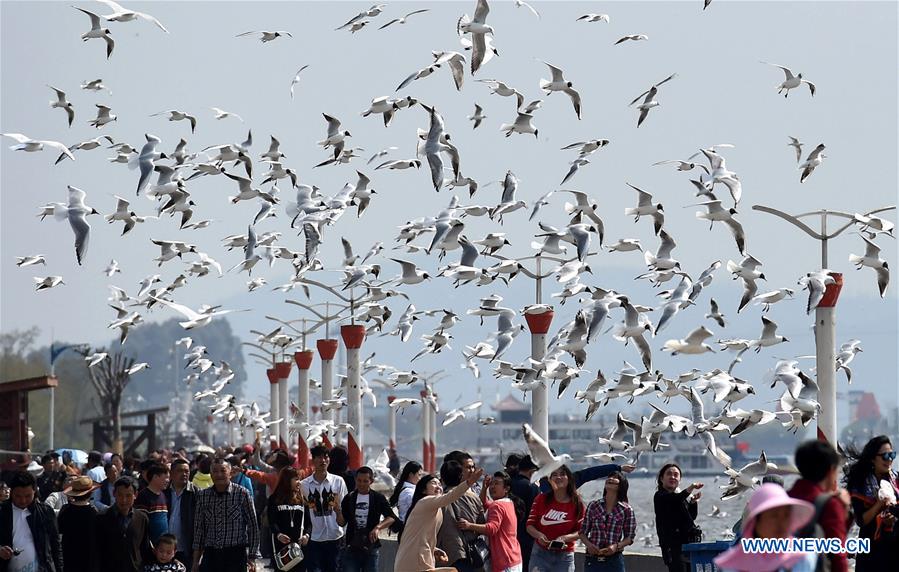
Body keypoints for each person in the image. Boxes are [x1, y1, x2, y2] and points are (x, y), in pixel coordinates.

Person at [394, 467, 485, 572]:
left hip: (421, 559)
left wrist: (434, 549)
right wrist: (469, 482)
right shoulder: (425, 501)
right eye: (433, 483)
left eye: (439, 484)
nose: (438, 486)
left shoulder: (435, 509)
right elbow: (449, 497)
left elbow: (422, 537)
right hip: (413, 562)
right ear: (423, 490)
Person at [714, 484, 816, 572]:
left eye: (786, 515)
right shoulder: (731, 565)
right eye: (774, 516)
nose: (781, 523)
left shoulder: (802, 558)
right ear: (756, 521)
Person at [788, 440, 852, 572]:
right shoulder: (829, 504)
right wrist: (844, 509)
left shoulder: (782, 499)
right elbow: (837, 554)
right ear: (830, 471)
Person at [191, 457, 259, 572]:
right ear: (211, 475)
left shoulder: (242, 494)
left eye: (223, 471)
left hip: (235, 554)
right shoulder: (203, 496)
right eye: (215, 471)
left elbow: (253, 526)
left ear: (230, 473)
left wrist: (252, 557)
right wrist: (195, 561)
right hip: (211, 554)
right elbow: (199, 530)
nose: (219, 475)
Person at [845, 435, 899, 571]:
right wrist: (879, 505)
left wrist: (894, 518)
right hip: (872, 552)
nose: (890, 459)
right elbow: (861, 520)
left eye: (892, 454)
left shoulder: (897, 480)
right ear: (873, 459)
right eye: (885, 456)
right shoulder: (860, 485)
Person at [458, 471, 523, 572]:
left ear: (506, 489)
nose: (492, 486)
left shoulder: (497, 505)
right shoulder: (508, 503)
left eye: (496, 483)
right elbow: (484, 504)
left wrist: (469, 525)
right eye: (491, 483)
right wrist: (484, 487)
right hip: (513, 557)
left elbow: (492, 528)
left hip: (503, 560)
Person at [0, 471, 63, 572]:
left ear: (35, 491)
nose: (23, 500)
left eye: (28, 496)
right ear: (11, 492)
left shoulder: (45, 512)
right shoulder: (2, 511)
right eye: (18, 496)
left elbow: (55, 545)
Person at [525, 465, 584, 572]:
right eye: (554, 475)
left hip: (565, 556)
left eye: (562, 474)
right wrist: (539, 536)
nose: (558, 477)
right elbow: (529, 526)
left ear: (569, 478)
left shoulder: (577, 503)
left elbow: (581, 531)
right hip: (540, 554)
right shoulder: (541, 499)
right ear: (550, 480)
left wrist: (564, 538)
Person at [338, 466, 397, 572]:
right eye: (359, 481)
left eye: (365, 481)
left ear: (371, 481)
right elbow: (342, 523)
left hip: (371, 546)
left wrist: (378, 527)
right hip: (352, 545)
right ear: (355, 480)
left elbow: (391, 517)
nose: (361, 484)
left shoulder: (378, 498)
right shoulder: (349, 498)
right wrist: (337, 511)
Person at [301, 445, 348, 572]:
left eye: (326, 457)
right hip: (315, 538)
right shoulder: (304, 485)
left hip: (336, 537)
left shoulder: (338, 482)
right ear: (313, 460)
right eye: (319, 457)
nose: (323, 461)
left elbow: (345, 508)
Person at [579, 472, 636, 572]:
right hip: (593, 560)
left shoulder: (626, 510)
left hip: (614, 561)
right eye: (609, 477)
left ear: (621, 485)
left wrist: (616, 546)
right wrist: (589, 545)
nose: (611, 479)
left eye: (615, 478)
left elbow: (630, 537)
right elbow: (582, 532)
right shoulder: (594, 506)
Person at [437, 460, 487, 572]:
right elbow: (482, 524)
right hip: (473, 553)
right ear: (461, 476)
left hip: (450, 553)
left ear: (442, 478)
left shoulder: (440, 500)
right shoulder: (474, 498)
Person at [95, 476, 152, 572]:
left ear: (135, 495)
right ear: (114, 494)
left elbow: (145, 549)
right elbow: (95, 551)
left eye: (128, 495)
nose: (124, 500)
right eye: (120, 495)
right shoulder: (101, 518)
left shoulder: (142, 518)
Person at [654, 463, 702, 572]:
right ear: (661, 478)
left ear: (680, 479)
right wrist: (691, 487)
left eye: (676, 475)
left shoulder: (679, 498)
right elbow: (674, 500)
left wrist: (693, 502)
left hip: (688, 545)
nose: (673, 477)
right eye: (669, 474)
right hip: (672, 547)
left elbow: (691, 517)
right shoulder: (660, 496)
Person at [266, 466, 311, 567]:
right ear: (287, 480)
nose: (299, 482)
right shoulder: (274, 499)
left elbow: (309, 523)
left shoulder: (302, 500)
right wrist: (279, 535)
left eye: (300, 479)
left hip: (299, 549)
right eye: (296, 479)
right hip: (280, 548)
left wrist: (306, 536)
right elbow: (272, 521)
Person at [58, 476, 100, 572]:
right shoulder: (94, 513)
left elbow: (60, 530)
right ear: (90, 493)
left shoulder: (65, 510)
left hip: (69, 557)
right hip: (89, 559)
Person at [164, 459, 198, 571]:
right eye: (180, 471)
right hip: (164, 551)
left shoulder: (196, 493)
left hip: (186, 550)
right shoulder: (163, 492)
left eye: (187, 471)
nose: (184, 474)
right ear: (172, 473)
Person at [511, 456, 540, 571]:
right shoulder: (532, 487)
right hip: (526, 538)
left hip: (508, 536)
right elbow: (536, 513)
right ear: (533, 471)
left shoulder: (508, 484)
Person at [136, 463, 171, 545]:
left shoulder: (163, 495)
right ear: (155, 477)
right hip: (149, 547)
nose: (168, 480)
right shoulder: (143, 496)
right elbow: (141, 525)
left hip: (162, 548)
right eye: (166, 477)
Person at [389, 461, 423, 525]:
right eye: (419, 475)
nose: (420, 478)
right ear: (411, 475)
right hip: (409, 527)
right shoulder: (409, 492)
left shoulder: (406, 489)